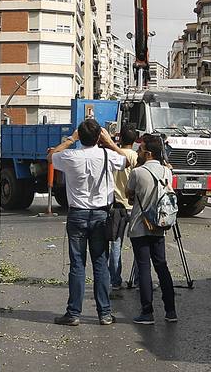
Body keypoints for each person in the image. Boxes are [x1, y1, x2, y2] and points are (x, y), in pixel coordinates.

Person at [49, 119, 131, 326]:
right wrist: (110, 142)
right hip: (101, 215)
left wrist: (71, 139)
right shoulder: (107, 155)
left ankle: (73, 313)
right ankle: (104, 313)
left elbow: (51, 156)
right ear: (98, 137)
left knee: (77, 264)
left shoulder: (70, 156)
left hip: (77, 214)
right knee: (100, 263)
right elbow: (127, 161)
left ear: (80, 137)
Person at [128, 133, 178, 324]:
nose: (137, 152)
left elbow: (129, 193)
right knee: (162, 265)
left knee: (144, 267)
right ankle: (170, 310)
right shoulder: (167, 172)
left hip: (140, 226)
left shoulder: (138, 172)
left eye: (140, 149)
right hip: (160, 224)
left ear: (148, 153)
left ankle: (147, 312)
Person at [108, 126, 141, 291]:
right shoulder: (136, 157)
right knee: (138, 245)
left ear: (120, 138)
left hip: (116, 205)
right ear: (135, 140)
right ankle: (138, 279)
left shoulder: (113, 156)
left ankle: (115, 280)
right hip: (134, 206)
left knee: (116, 244)